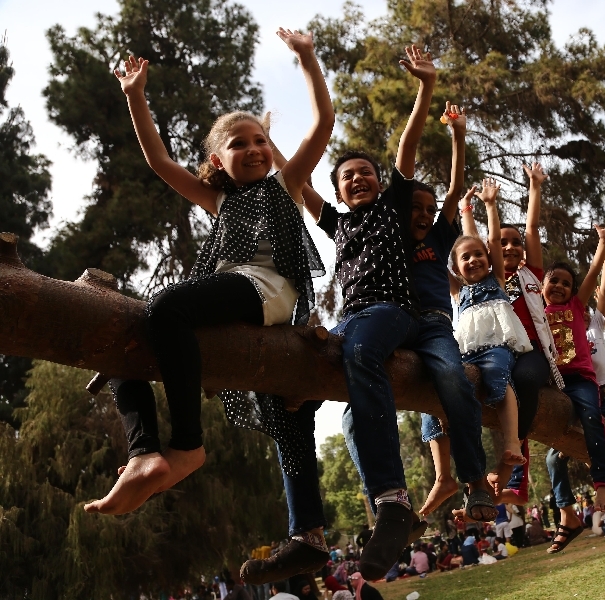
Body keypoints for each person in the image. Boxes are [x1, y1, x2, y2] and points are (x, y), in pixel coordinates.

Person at [83, 28, 332, 518]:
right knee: (127, 328)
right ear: (218, 160)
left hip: (268, 290)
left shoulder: (285, 184)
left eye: (261, 141)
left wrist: (306, 57)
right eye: (240, 144)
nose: (255, 148)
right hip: (232, 291)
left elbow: (323, 122)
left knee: (167, 306)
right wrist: (135, 96)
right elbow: (159, 161)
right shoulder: (218, 200)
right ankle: (143, 452)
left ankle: (187, 446)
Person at [249, 45, 438, 584]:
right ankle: (307, 534)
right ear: (337, 190)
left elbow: (407, 146)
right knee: (289, 395)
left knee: (358, 351)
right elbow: (295, 177)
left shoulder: (392, 209)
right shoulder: (338, 223)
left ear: (380, 183)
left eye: (365, 174)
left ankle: (392, 501)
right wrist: (266, 142)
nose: (357, 179)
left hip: (393, 312)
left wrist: (424, 88)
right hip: (350, 319)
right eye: (347, 176)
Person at [401, 103, 494, 521]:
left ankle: (475, 481)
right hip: (395, 321)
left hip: (435, 324)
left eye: (429, 208)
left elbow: (454, 190)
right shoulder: (389, 236)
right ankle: (400, 497)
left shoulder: (438, 239)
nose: (424, 214)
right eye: (415, 207)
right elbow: (402, 171)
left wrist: (458, 136)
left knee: (452, 379)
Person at [541, 218, 605, 553]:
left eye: (566, 283)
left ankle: (602, 482)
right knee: (552, 459)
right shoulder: (535, 312)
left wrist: (603, 244)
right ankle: (566, 512)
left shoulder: (576, 307)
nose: (560, 286)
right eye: (553, 281)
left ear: (574, 292)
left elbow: (592, 274)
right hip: (552, 385)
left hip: (580, 380)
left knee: (592, 418)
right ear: (540, 285)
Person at [491, 163, 565, 504]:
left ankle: (513, 472)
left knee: (525, 381)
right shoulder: (489, 279)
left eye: (515, 243)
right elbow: (483, 242)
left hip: (532, 350)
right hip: (501, 351)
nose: (509, 247)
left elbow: (532, 228)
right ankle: (513, 485)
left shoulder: (531, 274)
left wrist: (534, 186)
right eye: (502, 242)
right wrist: (474, 210)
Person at [451, 178, 531, 494]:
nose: (473, 260)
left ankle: (512, 440)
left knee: (499, 375)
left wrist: (489, 205)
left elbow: (493, 240)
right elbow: (434, 264)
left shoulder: (496, 278)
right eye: (465, 259)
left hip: (496, 346)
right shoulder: (457, 291)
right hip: (466, 350)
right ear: (456, 269)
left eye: (478, 255)